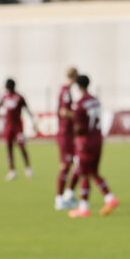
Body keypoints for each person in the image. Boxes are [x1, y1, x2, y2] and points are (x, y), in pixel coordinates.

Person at [67, 75, 119, 218]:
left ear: (78, 86)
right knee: (93, 172)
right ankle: (110, 198)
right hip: (98, 139)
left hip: (85, 142)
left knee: (83, 173)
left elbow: (79, 127)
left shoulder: (79, 104)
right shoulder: (95, 100)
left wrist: (71, 122)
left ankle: (84, 208)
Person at [0, 78, 35, 181]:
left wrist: (33, 122)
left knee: (21, 147)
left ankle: (28, 168)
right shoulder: (5, 97)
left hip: (18, 127)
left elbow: (27, 109)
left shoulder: (19, 97)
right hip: (8, 127)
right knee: (9, 148)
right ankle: (12, 171)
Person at [54, 67, 79, 211]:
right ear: (74, 77)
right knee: (65, 165)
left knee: (76, 163)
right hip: (65, 134)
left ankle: (68, 194)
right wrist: (78, 116)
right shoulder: (65, 91)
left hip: (69, 134)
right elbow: (63, 112)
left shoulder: (65, 90)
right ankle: (59, 199)